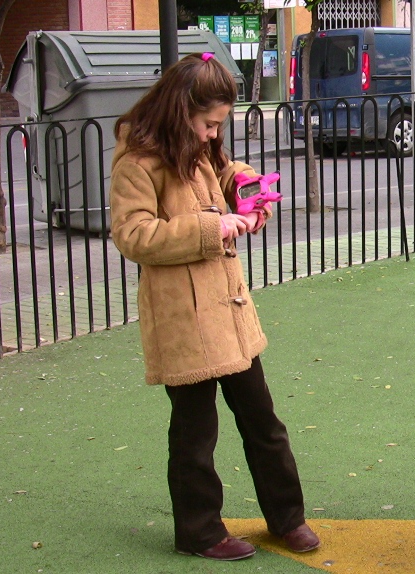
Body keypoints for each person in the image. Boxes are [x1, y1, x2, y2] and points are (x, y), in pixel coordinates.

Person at [109, 53, 320, 561]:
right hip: (183, 317)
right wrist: (214, 226)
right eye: (208, 123)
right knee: (195, 432)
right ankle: (199, 531)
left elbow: (224, 173)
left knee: (262, 420)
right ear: (182, 111)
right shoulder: (138, 160)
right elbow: (133, 235)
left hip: (226, 309)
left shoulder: (193, 145)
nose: (211, 135)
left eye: (217, 125)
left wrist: (248, 190)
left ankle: (287, 518)